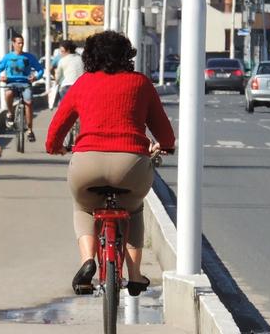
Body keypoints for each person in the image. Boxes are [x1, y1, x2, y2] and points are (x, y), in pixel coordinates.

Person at [45, 30, 175, 296]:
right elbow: (165, 134)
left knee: (83, 207)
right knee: (134, 209)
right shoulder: (141, 84)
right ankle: (136, 274)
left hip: (87, 165)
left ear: (90, 57)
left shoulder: (83, 84)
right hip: (131, 165)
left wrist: (55, 147)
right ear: (127, 55)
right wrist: (166, 145)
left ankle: (87, 262)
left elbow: (56, 130)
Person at [0, 34, 44, 142]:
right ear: (13, 44)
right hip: (11, 82)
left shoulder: (29, 57)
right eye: (18, 43)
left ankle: (30, 130)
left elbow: (40, 69)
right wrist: (0, 77)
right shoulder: (8, 57)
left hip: (25, 83)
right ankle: (10, 113)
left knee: (29, 103)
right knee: (8, 93)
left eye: (22, 43)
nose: (21, 45)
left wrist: (36, 77)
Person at [54, 40, 84, 104]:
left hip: (67, 87)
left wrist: (56, 83)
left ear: (68, 50)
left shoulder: (62, 60)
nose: (61, 54)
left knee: (66, 110)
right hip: (81, 87)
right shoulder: (81, 59)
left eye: (62, 51)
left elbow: (58, 77)